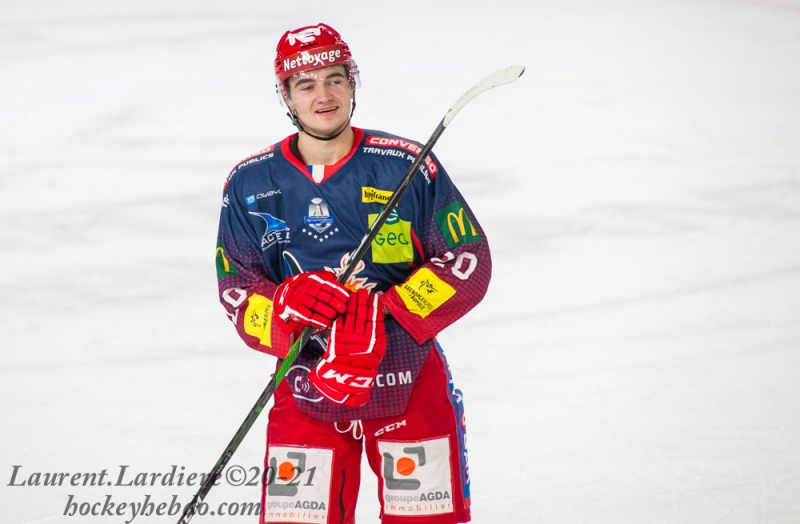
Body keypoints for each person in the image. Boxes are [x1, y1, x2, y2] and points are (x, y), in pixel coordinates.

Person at [215, 23, 490, 524]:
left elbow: (465, 259)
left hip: (407, 384)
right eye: (307, 84)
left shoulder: (405, 165)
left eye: (335, 79)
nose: (325, 96)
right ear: (286, 95)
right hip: (306, 388)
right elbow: (236, 283)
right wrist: (283, 309)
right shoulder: (251, 183)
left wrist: (382, 314)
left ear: (353, 83)